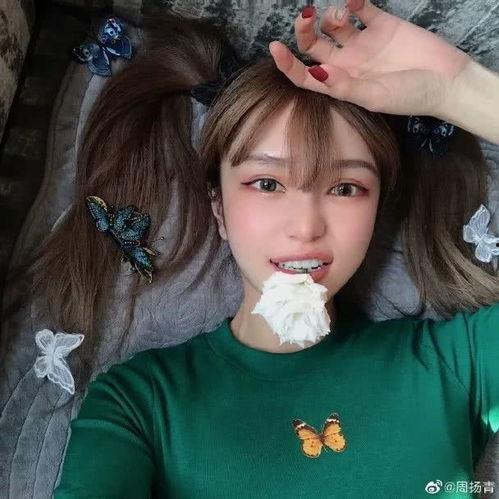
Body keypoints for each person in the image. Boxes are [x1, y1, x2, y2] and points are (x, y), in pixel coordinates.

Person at [49, 1, 499, 497]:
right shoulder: (140, 404)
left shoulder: (455, 364)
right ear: (218, 209)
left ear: (377, 209)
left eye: (346, 188)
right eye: (266, 183)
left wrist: (458, 89)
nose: (306, 228)